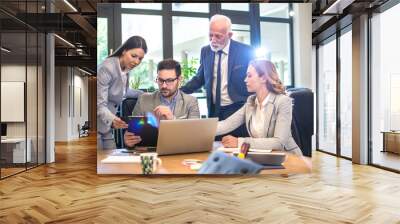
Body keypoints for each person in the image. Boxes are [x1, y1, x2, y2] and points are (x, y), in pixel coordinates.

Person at [181, 14, 254, 138]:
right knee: (216, 147)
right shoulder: (205, 51)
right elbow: (200, 78)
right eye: (210, 35)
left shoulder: (245, 51)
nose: (213, 40)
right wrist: (178, 92)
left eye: (218, 36)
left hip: (237, 107)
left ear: (229, 35)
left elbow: (254, 78)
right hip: (214, 109)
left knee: (236, 147)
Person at [216, 59, 303, 156]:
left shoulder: (282, 101)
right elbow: (227, 124)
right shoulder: (251, 102)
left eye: (249, 76)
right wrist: (201, 130)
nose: (245, 80)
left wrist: (240, 142)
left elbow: (278, 143)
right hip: (264, 156)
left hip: (288, 157)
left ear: (263, 78)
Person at [124, 59, 200, 147]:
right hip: (151, 153)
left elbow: (195, 136)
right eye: (160, 80)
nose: (164, 86)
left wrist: (172, 119)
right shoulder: (143, 100)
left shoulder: (191, 102)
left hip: (180, 153)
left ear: (180, 79)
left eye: (169, 81)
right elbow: (132, 132)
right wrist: (128, 141)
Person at [97, 36, 147, 149]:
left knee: (112, 158)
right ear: (124, 51)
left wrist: (144, 94)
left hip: (106, 127)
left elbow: (123, 92)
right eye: (133, 56)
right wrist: (112, 119)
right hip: (98, 124)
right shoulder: (107, 68)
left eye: (140, 58)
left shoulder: (125, 69)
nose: (136, 61)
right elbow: (99, 104)